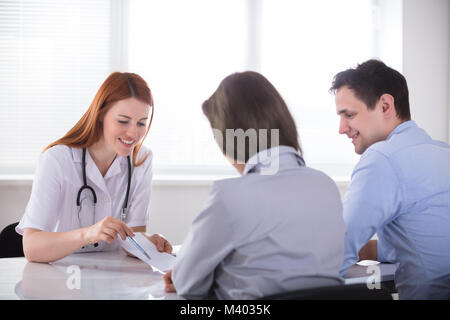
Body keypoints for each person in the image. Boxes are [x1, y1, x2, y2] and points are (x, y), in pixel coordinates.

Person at [162, 71, 346, 299]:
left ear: (230, 139)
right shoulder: (326, 186)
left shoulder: (230, 197)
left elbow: (188, 285)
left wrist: (184, 274)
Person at [17, 72, 172, 263]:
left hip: (114, 279)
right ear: (100, 114)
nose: (133, 133)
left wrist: (150, 242)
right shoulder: (57, 160)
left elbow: (133, 238)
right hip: (61, 275)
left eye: (141, 123)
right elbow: (32, 248)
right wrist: (88, 234)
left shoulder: (142, 159)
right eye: (123, 121)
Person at [329, 59, 450, 299]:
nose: (341, 128)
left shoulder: (382, 158)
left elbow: (334, 255)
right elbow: (431, 239)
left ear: (385, 106)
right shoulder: (443, 152)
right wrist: (374, 249)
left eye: (349, 115)